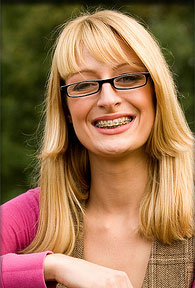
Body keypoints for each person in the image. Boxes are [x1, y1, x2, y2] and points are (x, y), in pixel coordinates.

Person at [1, 9, 194, 288]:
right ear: (66, 109)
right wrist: (52, 265)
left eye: (127, 78)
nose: (108, 99)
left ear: (157, 93)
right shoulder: (36, 214)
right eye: (84, 84)